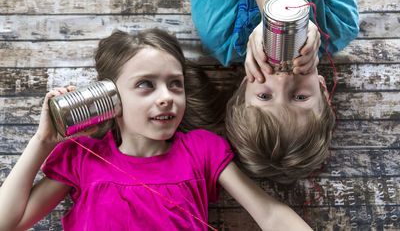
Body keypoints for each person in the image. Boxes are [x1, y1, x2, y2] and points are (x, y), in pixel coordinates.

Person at [0, 29, 312, 230]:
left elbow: (270, 214)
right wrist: (42, 141)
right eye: (145, 85)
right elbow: (8, 222)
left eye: (175, 85)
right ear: (108, 96)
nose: (167, 98)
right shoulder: (82, 159)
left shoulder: (201, 150)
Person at [189, 0, 358, 183]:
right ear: (323, 90)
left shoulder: (222, 35)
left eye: (264, 96)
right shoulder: (338, 25)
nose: (282, 80)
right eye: (300, 97)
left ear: (243, 86)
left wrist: (272, 18)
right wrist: (295, 13)